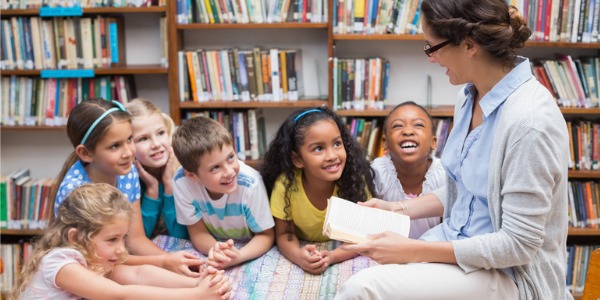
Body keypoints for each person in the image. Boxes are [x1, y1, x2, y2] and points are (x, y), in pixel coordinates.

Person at [336, 1, 571, 299]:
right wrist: (398, 208)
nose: (430, 58)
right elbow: (468, 188)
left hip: (510, 275)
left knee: (361, 289)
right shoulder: (467, 97)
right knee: (362, 267)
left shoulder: (530, 122)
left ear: (469, 45)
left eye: (432, 47)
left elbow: (518, 245)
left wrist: (416, 250)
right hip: (458, 246)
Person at [52, 98, 203, 277]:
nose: (128, 152)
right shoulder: (76, 193)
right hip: (87, 269)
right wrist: (163, 261)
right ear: (85, 153)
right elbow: (96, 260)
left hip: (115, 260)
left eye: (129, 139)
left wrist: (174, 262)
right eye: (115, 146)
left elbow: (135, 239)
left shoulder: (127, 172)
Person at [12, 183, 231, 300]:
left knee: (120, 273)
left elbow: (138, 274)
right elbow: (120, 295)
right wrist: (195, 296)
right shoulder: (61, 264)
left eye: (123, 239)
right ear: (76, 237)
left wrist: (197, 284)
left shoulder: (91, 257)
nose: (120, 249)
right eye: (112, 240)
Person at [261, 107, 376, 275]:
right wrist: (299, 256)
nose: (332, 155)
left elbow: (362, 235)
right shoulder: (285, 185)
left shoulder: (355, 179)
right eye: (318, 148)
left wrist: (331, 256)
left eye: (337, 144)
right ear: (298, 159)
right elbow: (285, 234)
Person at [172, 116, 275, 270]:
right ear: (192, 175)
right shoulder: (182, 182)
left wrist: (238, 256)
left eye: (231, 158)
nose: (229, 171)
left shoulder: (250, 184)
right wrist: (218, 251)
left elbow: (266, 235)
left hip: (248, 245)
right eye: (215, 168)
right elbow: (197, 233)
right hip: (218, 243)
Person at [371, 101, 445, 239]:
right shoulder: (376, 173)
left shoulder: (444, 174)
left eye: (418, 125)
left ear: (433, 142)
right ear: (385, 143)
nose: (408, 131)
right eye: (398, 125)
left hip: (433, 252)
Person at [126, 98, 188, 239]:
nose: (156, 144)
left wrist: (169, 185)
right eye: (143, 139)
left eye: (160, 133)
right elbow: (139, 239)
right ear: (128, 143)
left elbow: (180, 236)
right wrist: (152, 190)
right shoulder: (127, 178)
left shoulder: (183, 169)